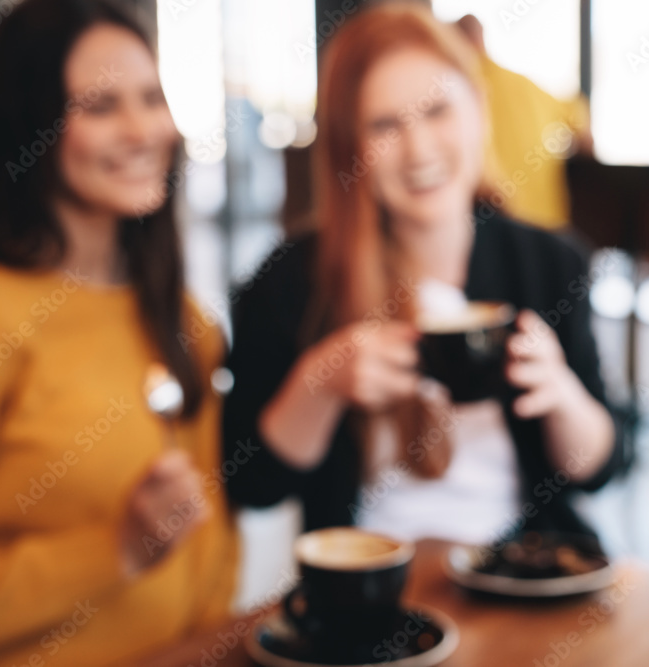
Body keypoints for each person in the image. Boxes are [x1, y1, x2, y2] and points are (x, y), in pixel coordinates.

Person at [222, 3, 623, 545]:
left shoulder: (550, 264)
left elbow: (599, 469)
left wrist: (559, 392)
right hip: (370, 591)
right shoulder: (292, 279)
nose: (419, 149)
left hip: (520, 576)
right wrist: (322, 383)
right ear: (349, 147)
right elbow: (251, 483)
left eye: (437, 110)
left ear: (478, 111)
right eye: (385, 124)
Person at [0, 2, 237, 664]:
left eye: (149, 97)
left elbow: (209, 535)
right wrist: (112, 551)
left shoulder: (182, 317)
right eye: (100, 105)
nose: (143, 130)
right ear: (29, 128)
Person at [454, 14, 593, 230]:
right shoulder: (525, 85)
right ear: (481, 39)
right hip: (548, 225)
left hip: (494, 226)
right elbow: (582, 125)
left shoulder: (454, 94)